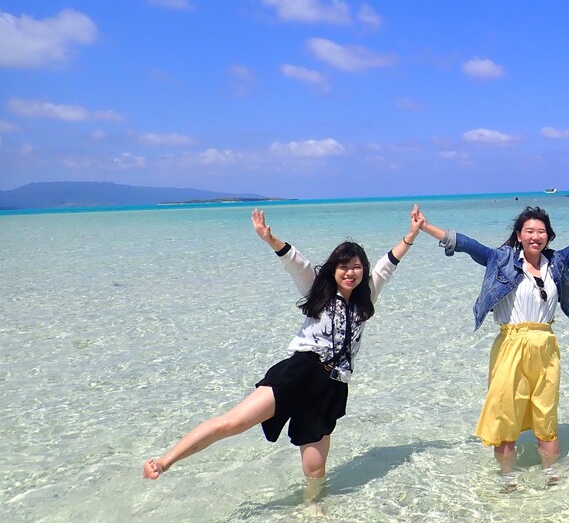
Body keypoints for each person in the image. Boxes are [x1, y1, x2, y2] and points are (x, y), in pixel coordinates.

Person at [142, 204, 424, 487]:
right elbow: (297, 263)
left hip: (331, 387)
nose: (350, 272)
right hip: (300, 372)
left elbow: (387, 264)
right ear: (333, 270)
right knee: (233, 423)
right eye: (343, 266)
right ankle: (165, 461)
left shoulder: (366, 298)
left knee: (315, 470)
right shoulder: (319, 290)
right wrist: (270, 239)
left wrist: (411, 234)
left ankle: (314, 508)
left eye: (356, 267)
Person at [419, 203, 569, 491]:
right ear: (519, 235)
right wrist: (425, 227)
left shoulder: (557, 262)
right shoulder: (500, 259)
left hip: (546, 345)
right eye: (529, 231)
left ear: (549, 236)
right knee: (506, 414)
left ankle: (550, 472)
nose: (536, 236)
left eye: (541, 231)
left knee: (547, 415)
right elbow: (467, 245)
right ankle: (508, 475)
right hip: (511, 344)